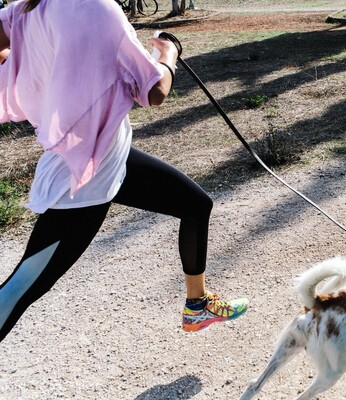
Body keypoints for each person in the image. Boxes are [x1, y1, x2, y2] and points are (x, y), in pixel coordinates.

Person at [0, 0, 248, 343]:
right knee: (14, 293)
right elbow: (154, 91)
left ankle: (198, 303)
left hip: (107, 155)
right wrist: (168, 53)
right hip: (81, 183)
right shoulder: (99, 9)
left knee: (195, 206)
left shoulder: (27, 8)